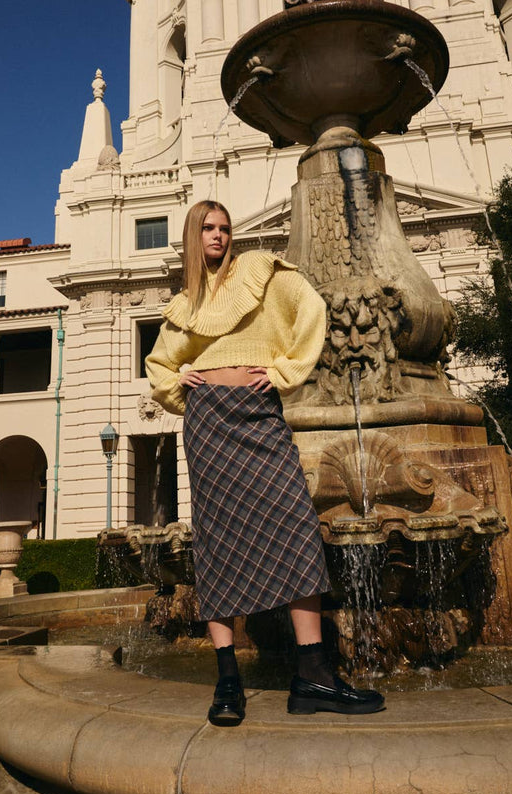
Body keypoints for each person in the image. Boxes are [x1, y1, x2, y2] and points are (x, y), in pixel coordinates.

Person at [146, 200, 384, 725]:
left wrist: (283, 371)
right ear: (192, 236)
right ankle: (227, 679)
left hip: (259, 413)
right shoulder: (184, 303)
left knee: (297, 526)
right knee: (217, 539)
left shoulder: (260, 270)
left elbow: (312, 308)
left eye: (225, 228)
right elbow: (160, 364)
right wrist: (177, 380)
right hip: (208, 422)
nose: (218, 236)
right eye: (208, 228)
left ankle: (313, 674)